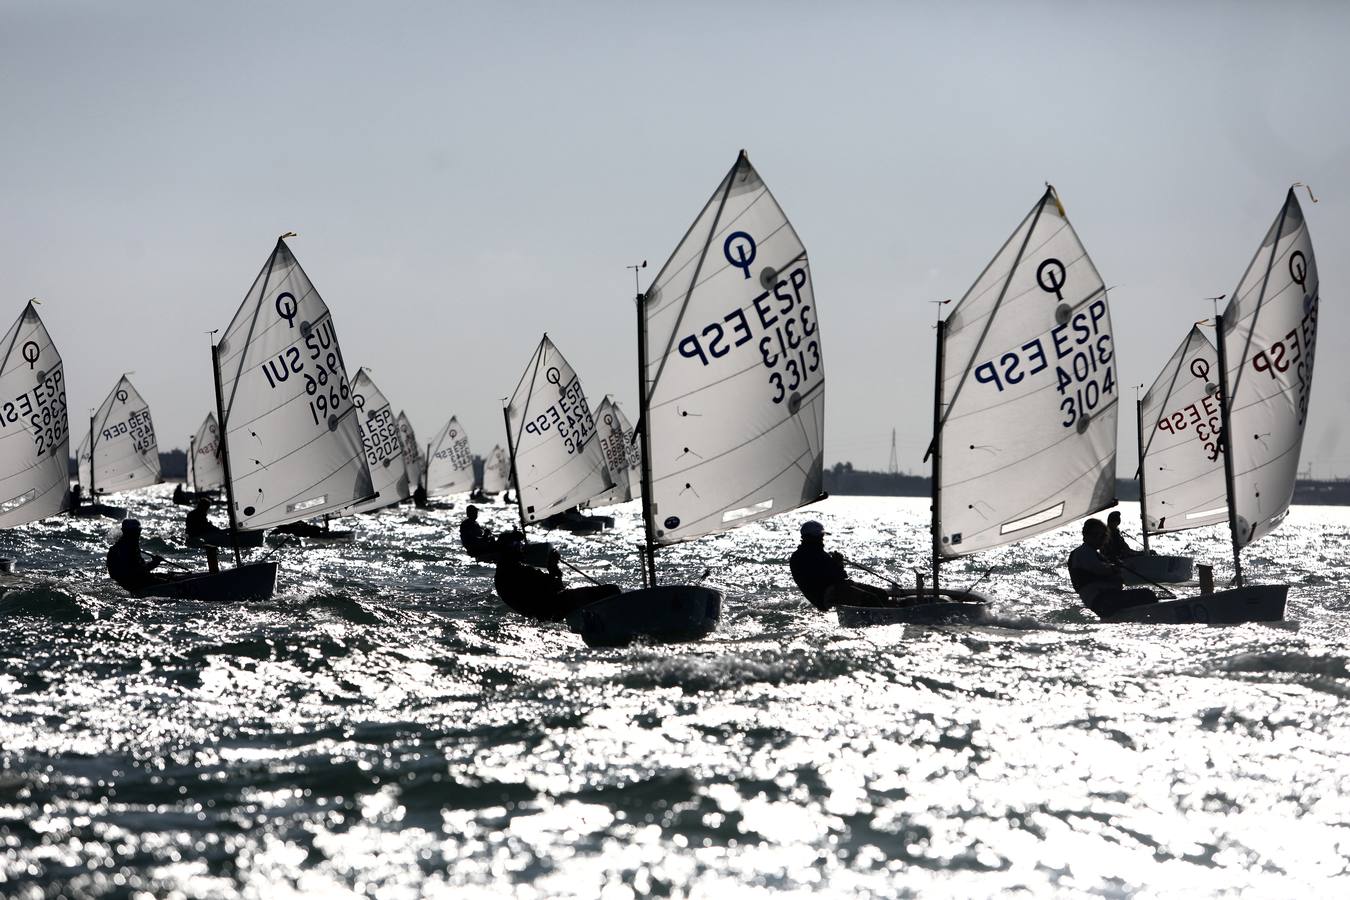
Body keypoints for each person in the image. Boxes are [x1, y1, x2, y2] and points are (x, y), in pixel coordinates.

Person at [493, 534, 620, 621]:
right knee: (612, 590)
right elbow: (553, 587)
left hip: (549, 610)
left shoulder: (504, 573)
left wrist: (553, 570)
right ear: (508, 549)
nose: (522, 548)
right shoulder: (515, 572)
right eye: (517, 545)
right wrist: (552, 567)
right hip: (555, 606)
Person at [789, 520, 893, 612]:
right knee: (871, 598)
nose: (822, 539)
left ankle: (886, 611)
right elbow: (835, 577)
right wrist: (837, 563)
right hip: (827, 595)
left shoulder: (811, 554)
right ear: (811, 537)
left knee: (882, 594)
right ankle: (886, 616)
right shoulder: (809, 556)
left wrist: (835, 564)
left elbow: (836, 576)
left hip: (833, 589)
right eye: (820, 537)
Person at [1068, 518, 1157, 618]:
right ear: (1086, 535)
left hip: (1108, 599)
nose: (1100, 538)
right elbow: (1101, 569)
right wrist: (1118, 568)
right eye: (1095, 535)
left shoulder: (1094, 554)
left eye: (1103, 535)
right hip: (1102, 600)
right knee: (1148, 595)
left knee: (1146, 596)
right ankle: (1155, 617)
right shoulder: (1082, 552)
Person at [107, 519, 176, 592]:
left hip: (131, 582)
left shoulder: (127, 546)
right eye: (135, 532)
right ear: (125, 532)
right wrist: (154, 563)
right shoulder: (126, 550)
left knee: (164, 576)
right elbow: (136, 572)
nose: (138, 534)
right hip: (135, 584)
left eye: (139, 531)